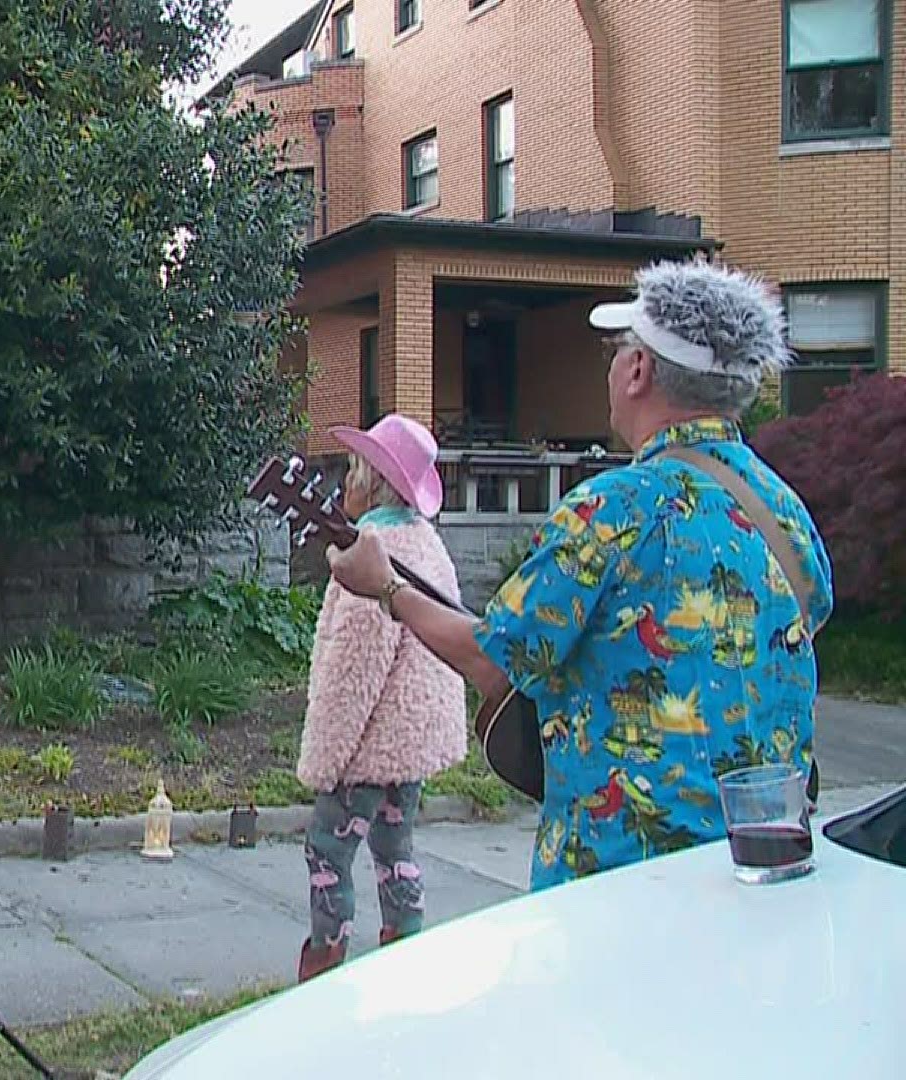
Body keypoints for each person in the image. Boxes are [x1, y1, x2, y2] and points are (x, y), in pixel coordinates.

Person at [327, 258, 834, 892]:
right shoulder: (783, 506)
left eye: (621, 349)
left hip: (620, 883)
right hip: (764, 870)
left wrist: (390, 589)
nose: (614, 363)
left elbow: (497, 661)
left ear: (640, 371)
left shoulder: (613, 509)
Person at [294, 413, 467, 982]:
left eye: (352, 472)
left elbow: (352, 673)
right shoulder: (427, 544)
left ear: (373, 481)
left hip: (368, 749)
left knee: (328, 852)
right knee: (396, 847)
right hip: (411, 745)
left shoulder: (371, 557)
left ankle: (324, 969)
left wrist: (324, 760)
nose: (345, 484)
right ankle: (405, 958)